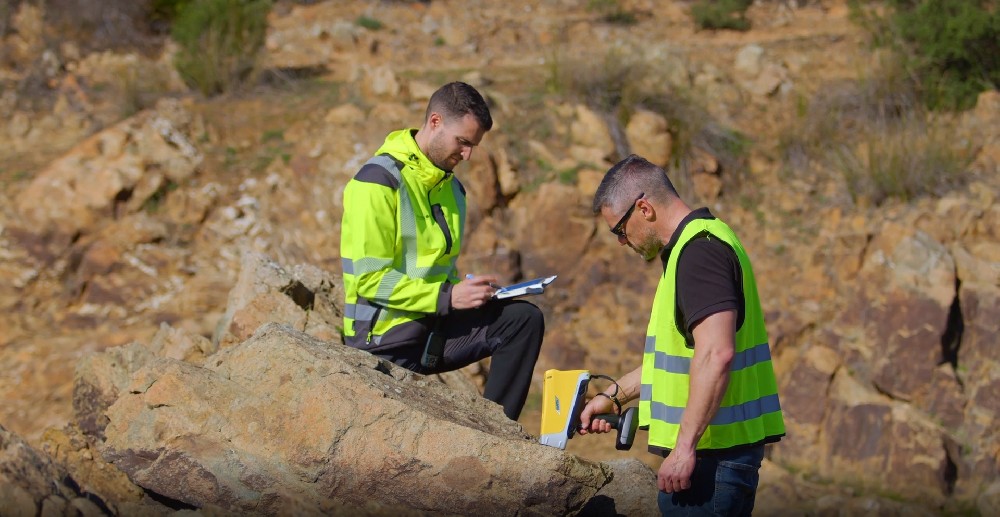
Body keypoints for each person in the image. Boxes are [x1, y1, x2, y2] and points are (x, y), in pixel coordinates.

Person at [580, 154, 784, 515]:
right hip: (715, 459)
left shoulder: (699, 253)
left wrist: (684, 448)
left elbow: (716, 354)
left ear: (644, 208)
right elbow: (677, 360)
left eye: (620, 230)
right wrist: (612, 397)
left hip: (710, 464)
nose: (622, 242)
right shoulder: (698, 243)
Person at [339, 81, 544, 421]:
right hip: (385, 343)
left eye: (473, 146)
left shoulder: (453, 190)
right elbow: (369, 280)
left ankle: (497, 429)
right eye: (463, 142)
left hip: (432, 329)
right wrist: (447, 298)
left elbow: (437, 269)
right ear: (435, 122)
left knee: (523, 319)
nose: (467, 155)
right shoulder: (376, 182)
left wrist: (469, 292)